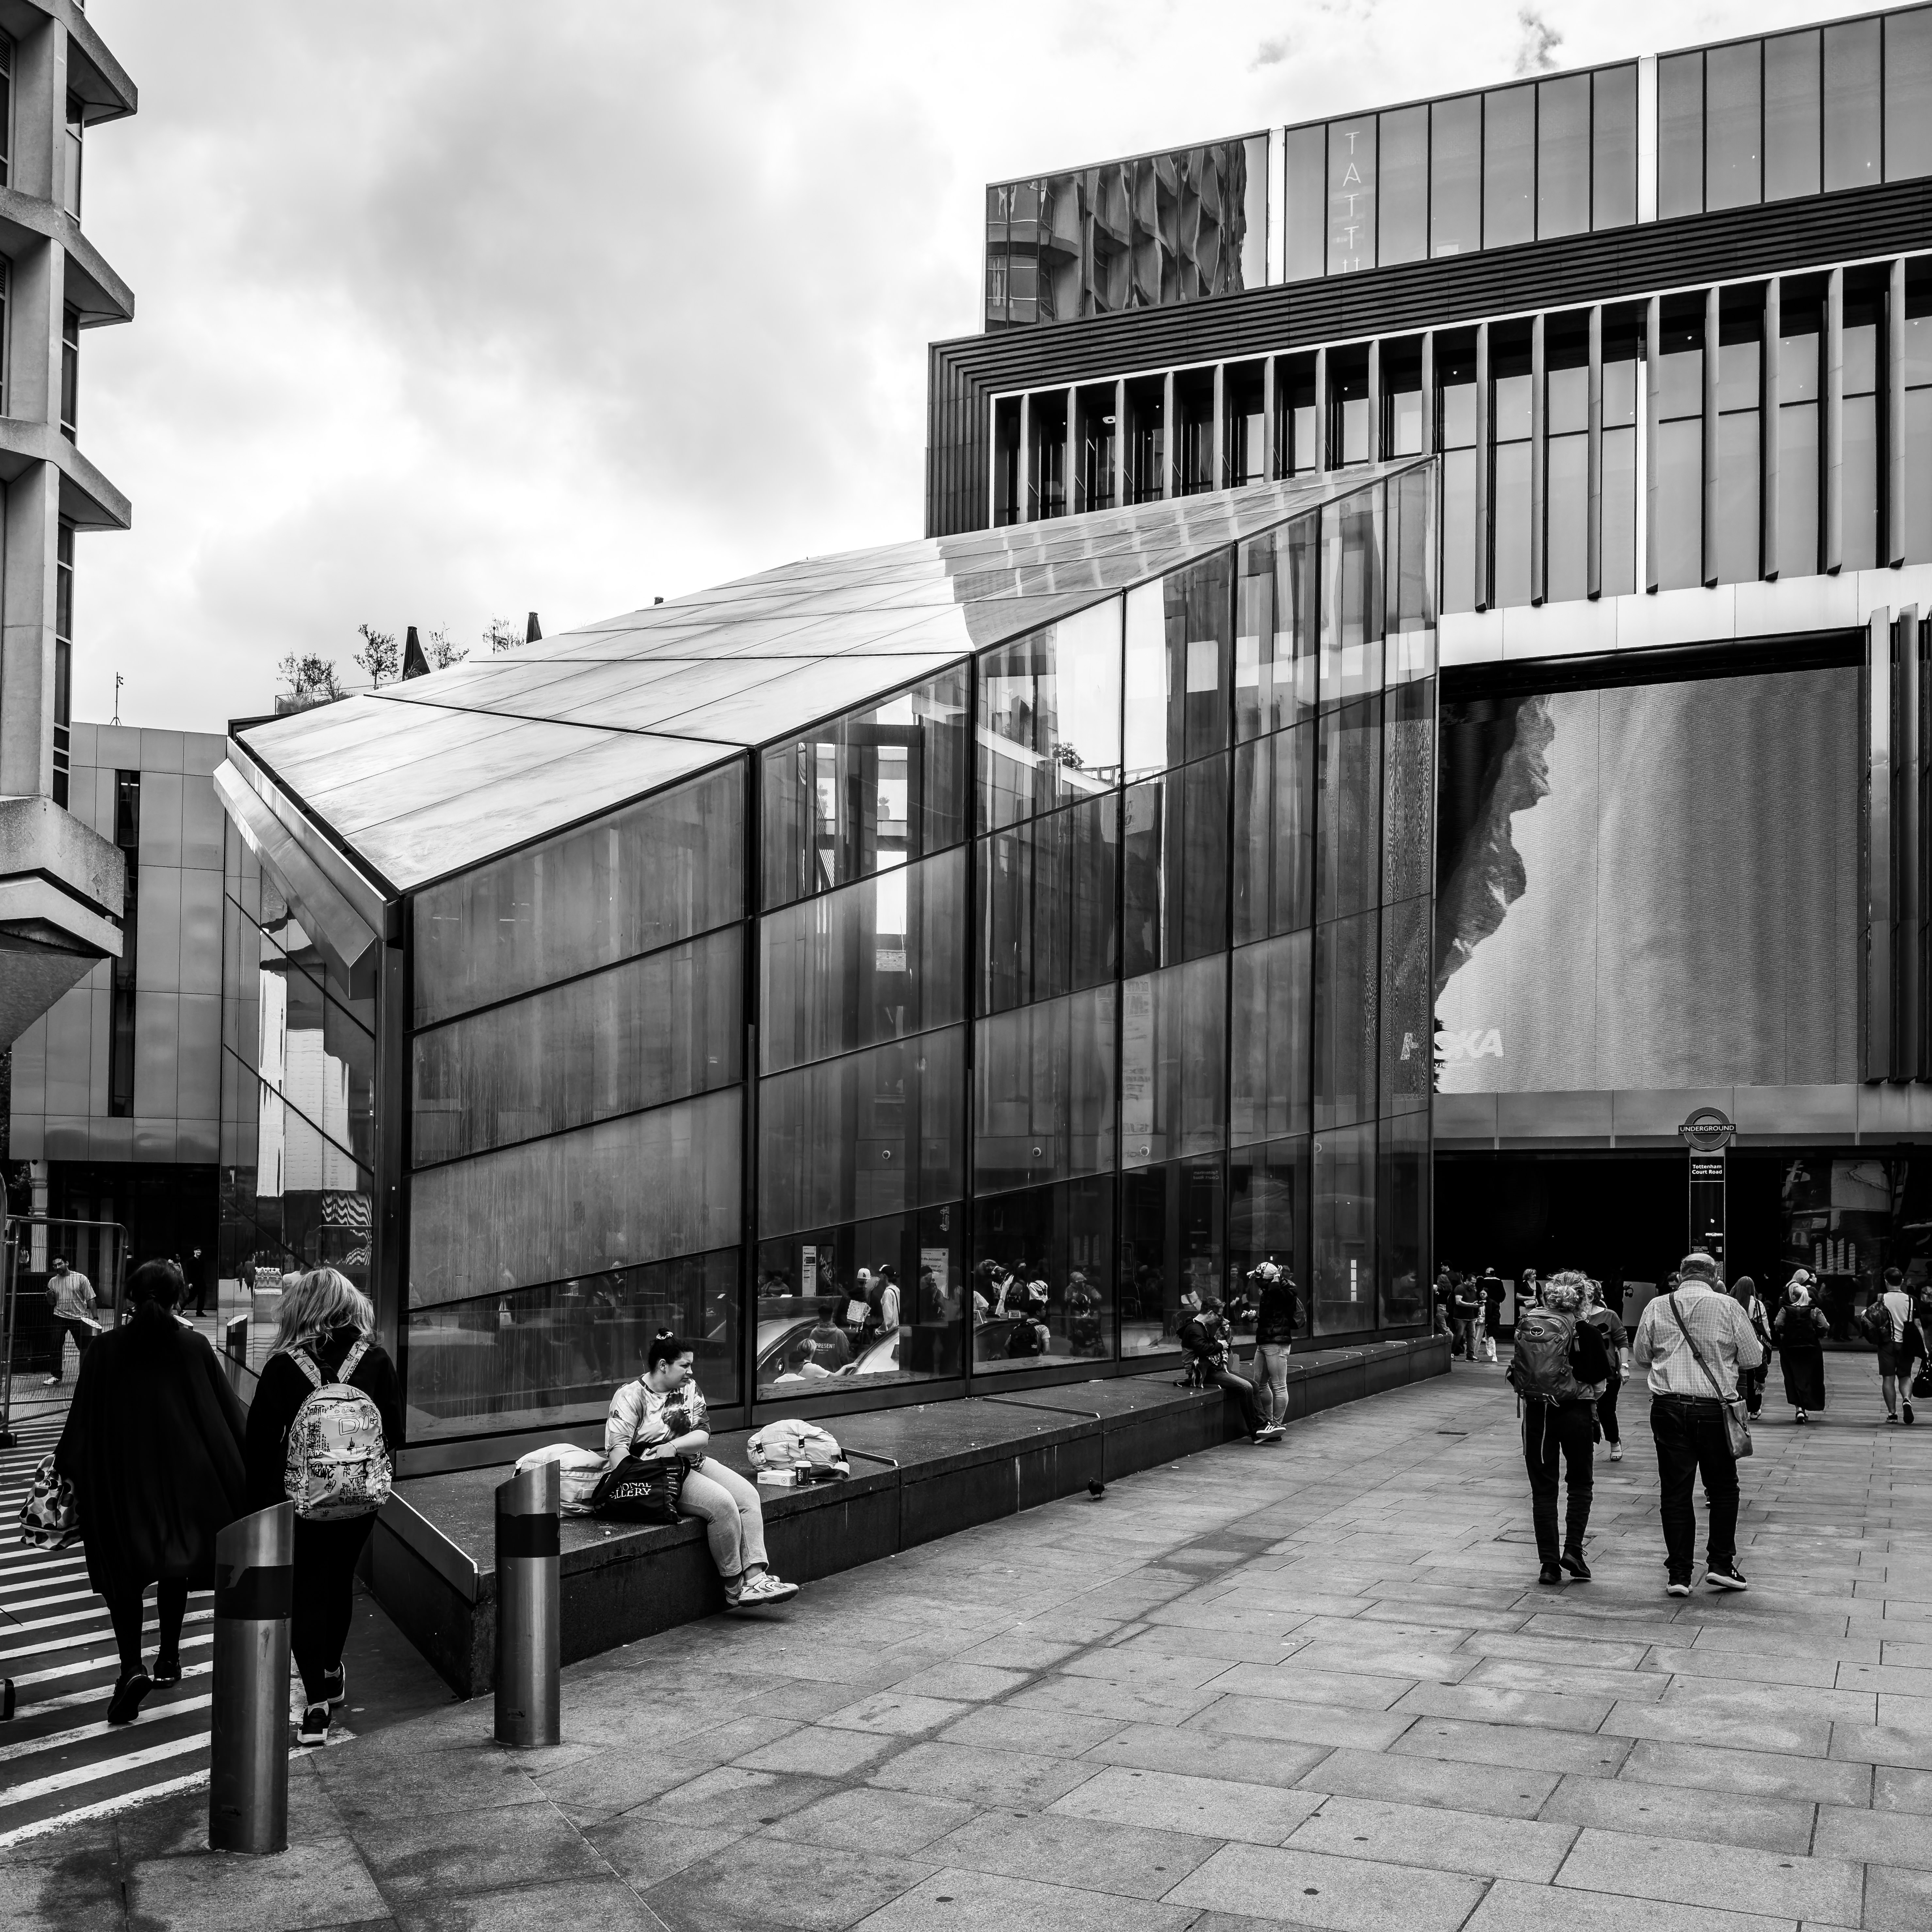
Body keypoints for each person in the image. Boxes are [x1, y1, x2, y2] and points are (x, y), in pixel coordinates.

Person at [54, 1259, 247, 1725]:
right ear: (180, 1298)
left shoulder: (104, 1349)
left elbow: (82, 1421)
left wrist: (69, 1470)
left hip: (120, 1480)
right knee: (173, 1567)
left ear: (129, 1297)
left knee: (123, 1574)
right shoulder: (193, 1346)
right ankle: (169, 1658)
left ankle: (131, 1667)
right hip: (185, 1479)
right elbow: (224, 1418)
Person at [243, 1267, 402, 1748]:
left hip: (299, 1499)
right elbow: (394, 1432)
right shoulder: (375, 1358)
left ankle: (315, 1705)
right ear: (349, 1304)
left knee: (307, 1587)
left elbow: (258, 1443)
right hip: (360, 1499)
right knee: (338, 1580)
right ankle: (332, 1670)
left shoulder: (282, 1365)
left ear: (301, 1307)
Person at [607, 1333, 799, 1610]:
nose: (691, 1371)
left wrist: (673, 1446)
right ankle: (734, 1586)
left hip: (692, 1462)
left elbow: (702, 1435)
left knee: (748, 1497)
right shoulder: (630, 1395)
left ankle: (756, 1578)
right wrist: (635, 1479)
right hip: (657, 1474)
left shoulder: (690, 1388)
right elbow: (617, 1449)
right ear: (663, 1365)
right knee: (722, 1504)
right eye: (685, 1365)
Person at [1631, 1250, 1764, 1596]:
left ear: (1680, 1274)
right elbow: (1753, 1358)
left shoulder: (1657, 1305)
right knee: (1722, 1487)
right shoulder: (1728, 1306)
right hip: (1713, 1409)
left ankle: (1678, 1574)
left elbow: (1641, 1356)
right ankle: (1720, 1564)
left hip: (1667, 1407)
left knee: (1675, 1491)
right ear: (1714, 1275)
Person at [1508, 1271, 1613, 1585]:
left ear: (1549, 1296)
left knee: (1543, 1490)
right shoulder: (1587, 1332)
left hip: (1537, 1416)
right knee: (1580, 1483)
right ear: (1583, 1299)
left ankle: (1548, 1565)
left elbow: (1518, 1372)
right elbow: (1601, 1384)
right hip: (1576, 1414)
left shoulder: (1531, 1325)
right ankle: (1573, 1551)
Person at [1178, 1296, 1281, 1443]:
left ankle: (1262, 1426)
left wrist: (1221, 1343)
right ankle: (1256, 1432)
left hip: (1214, 1369)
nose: (1220, 1318)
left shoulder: (1201, 1327)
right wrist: (1221, 1346)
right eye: (1219, 1315)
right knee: (1246, 1387)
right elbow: (1202, 1349)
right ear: (1211, 1313)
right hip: (1203, 1375)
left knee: (1254, 1385)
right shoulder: (1194, 1328)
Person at [1580, 1279, 1630, 1460]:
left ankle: (1614, 1441)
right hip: (1582, 1372)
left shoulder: (1609, 1315)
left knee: (1606, 1411)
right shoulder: (1573, 1316)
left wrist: (1624, 1367)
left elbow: (1622, 1341)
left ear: (1593, 1296)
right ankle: (1588, 1447)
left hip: (1608, 1371)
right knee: (1583, 1411)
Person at [1249, 1262, 1299, 1431]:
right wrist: (1256, 1319)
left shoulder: (1283, 1291)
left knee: (1279, 1386)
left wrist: (1277, 1278)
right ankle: (1268, 1422)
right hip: (1265, 1341)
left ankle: (1277, 1424)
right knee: (1260, 1384)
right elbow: (1272, 1317)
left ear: (1268, 1279)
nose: (1256, 1282)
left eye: (1259, 1279)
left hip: (1277, 1344)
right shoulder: (1269, 1291)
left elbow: (1278, 1295)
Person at [1773, 1274, 1830, 1422]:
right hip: (1811, 1348)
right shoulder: (1814, 1311)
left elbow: (1778, 1324)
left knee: (1793, 1377)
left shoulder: (1786, 1310)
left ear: (1793, 1297)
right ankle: (1806, 1404)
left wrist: (1785, 1333)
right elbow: (1825, 1326)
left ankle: (1799, 1408)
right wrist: (1818, 1334)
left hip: (1790, 1348)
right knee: (1810, 1377)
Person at [1872, 1266, 1917, 1425]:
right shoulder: (1912, 1300)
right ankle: (1906, 1400)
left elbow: (1870, 1317)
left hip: (1887, 1344)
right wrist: (1924, 1347)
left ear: (1886, 1282)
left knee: (1889, 1378)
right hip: (1906, 1344)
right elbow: (1918, 1325)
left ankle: (1892, 1414)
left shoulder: (1881, 1299)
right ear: (1902, 1281)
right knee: (1906, 1376)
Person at [43, 1255, 98, 1385]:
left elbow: (91, 1299)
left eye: (60, 1264)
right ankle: (56, 1375)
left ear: (67, 1263)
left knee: (84, 1347)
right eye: (55, 1265)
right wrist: (49, 1297)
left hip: (78, 1317)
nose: (57, 1267)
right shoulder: (53, 1282)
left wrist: (95, 1318)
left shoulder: (80, 1279)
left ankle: (88, 1374)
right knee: (55, 1344)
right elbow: (52, 1303)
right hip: (60, 1316)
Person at [1731, 1275, 1773, 1420]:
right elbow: (1765, 1326)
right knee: (1754, 1376)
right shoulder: (1757, 1304)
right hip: (1754, 1342)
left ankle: (1739, 1404)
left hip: (1736, 1344)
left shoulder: (1732, 1301)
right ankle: (1755, 1408)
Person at [1450, 1274, 1482, 1360]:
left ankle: (1470, 1355)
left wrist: (1477, 1304)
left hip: (1471, 1317)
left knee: (1472, 1336)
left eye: (1475, 1283)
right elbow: (1458, 1302)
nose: (1474, 1284)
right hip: (1460, 1317)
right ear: (1467, 1281)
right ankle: (1451, 1353)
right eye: (1472, 1282)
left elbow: (1473, 1301)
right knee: (1459, 1335)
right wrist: (1472, 1305)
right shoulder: (1460, 1288)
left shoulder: (1473, 1290)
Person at [1478, 1264, 1504, 1363]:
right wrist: (1498, 1301)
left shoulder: (1483, 1282)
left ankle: (1476, 1354)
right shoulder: (1499, 1282)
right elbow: (1503, 1294)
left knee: (1487, 1335)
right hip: (1493, 1306)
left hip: (1488, 1308)